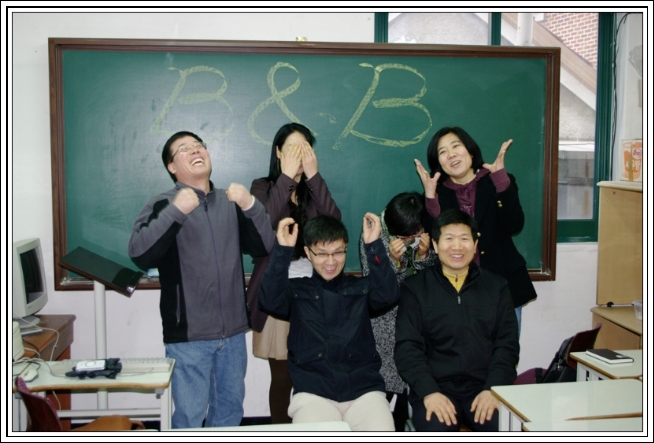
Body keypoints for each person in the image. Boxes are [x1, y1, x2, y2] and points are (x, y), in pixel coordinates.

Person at [128, 131, 275, 429]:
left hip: (233, 333)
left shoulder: (230, 202)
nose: (196, 151)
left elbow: (265, 245)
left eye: (199, 146)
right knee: (189, 417)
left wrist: (250, 205)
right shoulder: (162, 204)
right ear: (172, 167)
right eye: (184, 149)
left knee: (229, 413)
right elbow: (140, 253)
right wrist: (176, 211)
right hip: (189, 335)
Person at [258, 214, 398, 431]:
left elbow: (389, 295)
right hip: (314, 394)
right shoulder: (297, 291)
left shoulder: (360, 288)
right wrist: (282, 251)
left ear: (346, 250)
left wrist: (374, 245)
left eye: (338, 252)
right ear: (308, 253)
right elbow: (268, 300)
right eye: (322, 254)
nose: (331, 262)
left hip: (364, 392)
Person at [246, 122, 341, 424]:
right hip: (277, 293)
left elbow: (334, 227)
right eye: (291, 149)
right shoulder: (262, 187)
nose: (299, 155)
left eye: (305, 149)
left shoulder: (314, 189)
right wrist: (286, 178)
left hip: (314, 293)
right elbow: (263, 225)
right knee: (283, 377)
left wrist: (313, 177)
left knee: (314, 374)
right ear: (278, 152)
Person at [395, 208, 519, 432]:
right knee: (436, 428)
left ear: (475, 244)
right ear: (435, 245)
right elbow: (407, 348)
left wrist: (493, 389)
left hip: (484, 386)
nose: (457, 247)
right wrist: (429, 392)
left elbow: (507, 345)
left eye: (464, 239)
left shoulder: (497, 287)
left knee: (504, 427)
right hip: (436, 387)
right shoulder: (415, 289)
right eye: (449, 238)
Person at [415, 126, 537, 333]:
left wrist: (501, 181)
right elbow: (434, 241)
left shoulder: (497, 180)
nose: (451, 154)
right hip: (456, 289)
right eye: (443, 152)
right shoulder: (437, 193)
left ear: (470, 151)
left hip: (503, 284)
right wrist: (430, 198)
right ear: (439, 163)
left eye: (456, 146)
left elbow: (514, 225)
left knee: (505, 349)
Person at [358, 191, 436, 431]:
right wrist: (393, 261)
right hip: (386, 321)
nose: (410, 238)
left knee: (413, 381)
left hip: (418, 320)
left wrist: (424, 256)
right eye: (405, 236)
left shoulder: (426, 232)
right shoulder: (373, 233)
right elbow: (376, 287)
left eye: (414, 233)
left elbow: (432, 282)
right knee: (386, 388)